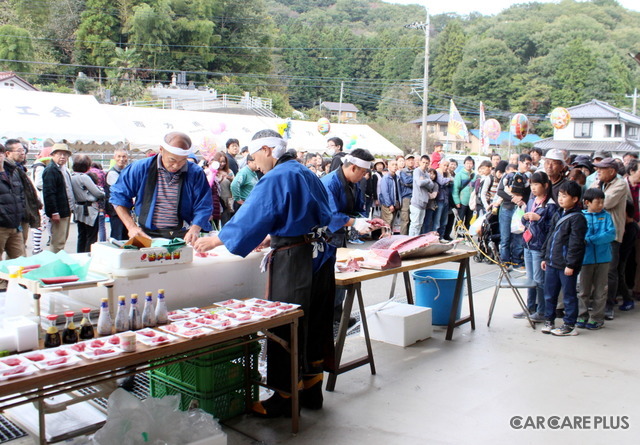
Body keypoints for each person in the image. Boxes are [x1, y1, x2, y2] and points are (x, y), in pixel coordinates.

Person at [194, 129, 335, 417]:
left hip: (295, 261)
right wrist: (274, 236)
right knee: (315, 322)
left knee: (286, 324)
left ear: (268, 149)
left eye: (256, 156)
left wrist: (216, 239)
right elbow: (312, 215)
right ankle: (312, 392)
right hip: (320, 257)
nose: (255, 163)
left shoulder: (277, 177)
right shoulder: (306, 172)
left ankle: (284, 397)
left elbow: (254, 216)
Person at [109, 132, 213, 244]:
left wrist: (195, 229)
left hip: (182, 234)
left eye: (182, 160)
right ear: (161, 150)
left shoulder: (195, 173)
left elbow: (204, 205)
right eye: (172, 160)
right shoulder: (140, 168)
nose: (176, 165)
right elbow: (118, 196)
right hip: (145, 233)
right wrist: (131, 227)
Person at [321, 149, 375, 323]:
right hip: (326, 234)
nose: (365, 176)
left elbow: (358, 208)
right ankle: (326, 315)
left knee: (342, 273)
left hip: (340, 233)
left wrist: (366, 221)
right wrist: (353, 223)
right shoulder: (329, 182)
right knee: (329, 276)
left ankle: (337, 312)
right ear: (353, 167)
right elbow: (330, 214)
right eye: (363, 172)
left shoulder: (354, 183)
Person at [540, 181, 587, 336]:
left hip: (566, 265)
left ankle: (569, 325)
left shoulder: (578, 218)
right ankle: (549, 320)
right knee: (549, 293)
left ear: (575, 199)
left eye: (564, 196)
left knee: (568, 295)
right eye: (559, 195)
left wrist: (571, 264)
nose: (560, 199)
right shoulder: (558, 213)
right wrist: (545, 257)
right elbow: (550, 236)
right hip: (552, 262)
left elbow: (576, 243)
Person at [590, 157, 630, 320]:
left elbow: (603, 203)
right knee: (595, 269)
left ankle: (609, 305)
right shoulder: (600, 183)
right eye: (597, 168)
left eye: (601, 168)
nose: (597, 171)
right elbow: (589, 198)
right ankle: (597, 302)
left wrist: (594, 193)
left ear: (612, 171)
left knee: (610, 271)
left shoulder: (620, 184)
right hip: (596, 232)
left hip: (611, 234)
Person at [514, 171, 557, 323]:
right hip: (528, 243)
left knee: (539, 280)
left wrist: (538, 219)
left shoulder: (550, 204)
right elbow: (525, 221)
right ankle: (530, 307)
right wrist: (525, 218)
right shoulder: (532, 201)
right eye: (531, 184)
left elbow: (552, 228)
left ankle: (542, 310)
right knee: (530, 279)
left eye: (536, 184)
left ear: (545, 185)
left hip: (539, 246)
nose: (533, 188)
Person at [575, 188, 616, 331]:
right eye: (598, 202)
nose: (601, 205)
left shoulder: (606, 216)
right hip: (586, 260)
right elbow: (578, 236)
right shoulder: (581, 217)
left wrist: (591, 240)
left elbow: (610, 234)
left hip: (603, 259)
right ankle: (582, 315)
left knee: (601, 290)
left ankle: (597, 318)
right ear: (587, 203)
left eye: (602, 202)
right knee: (583, 290)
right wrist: (588, 240)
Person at [4, 139, 40, 249]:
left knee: (19, 251)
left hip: (22, 214)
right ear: (8, 153)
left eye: (23, 150)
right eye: (19, 150)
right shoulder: (6, 170)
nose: (22, 153)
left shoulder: (19, 169)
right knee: (16, 251)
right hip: (11, 217)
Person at [497, 154, 532, 269]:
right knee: (505, 237)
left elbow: (528, 194)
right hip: (507, 208)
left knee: (518, 236)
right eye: (526, 163)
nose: (528, 166)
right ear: (520, 162)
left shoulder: (527, 179)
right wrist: (513, 198)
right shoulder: (509, 175)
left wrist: (521, 200)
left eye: (529, 164)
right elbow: (500, 192)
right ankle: (505, 261)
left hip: (520, 210)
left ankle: (517, 261)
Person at [42, 143, 75, 253]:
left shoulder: (62, 169)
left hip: (65, 210)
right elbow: (49, 193)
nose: (63, 157)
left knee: (62, 240)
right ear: (53, 155)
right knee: (58, 242)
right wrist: (54, 212)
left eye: (65, 155)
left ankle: (58, 262)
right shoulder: (50, 170)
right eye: (60, 154)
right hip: (59, 211)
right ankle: (54, 264)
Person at [71, 155, 105, 253]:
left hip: (78, 209)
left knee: (81, 235)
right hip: (90, 209)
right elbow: (97, 193)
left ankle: (80, 255)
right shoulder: (84, 177)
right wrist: (103, 193)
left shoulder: (72, 176)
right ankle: (89, 256)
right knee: (91, 236)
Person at [0, 143, 26, 260]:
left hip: (15, 225)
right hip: (1, 226)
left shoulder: (13, 171)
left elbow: (20, 195)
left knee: (19, 262)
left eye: (0, 153)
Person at [29, 145, 53, 254]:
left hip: (38, 198)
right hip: (41, 199)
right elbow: (39, 183)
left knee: (43, 222)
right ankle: (36, 248)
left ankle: (38, 246)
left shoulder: (37, 165)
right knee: (40, 223)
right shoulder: (40, 167)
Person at [105, 148, 130, 240]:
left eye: (124, 156)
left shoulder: (127, 171)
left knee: (125, 235)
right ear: (114, 157)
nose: (121, 159)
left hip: (126, 208)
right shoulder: (112, 173)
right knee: (117, 235)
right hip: (116, 210)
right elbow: (122, 190)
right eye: (119, 156)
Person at [409, 155, 435, 236]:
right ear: (420, 162)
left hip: (424, 203)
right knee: (414, 224)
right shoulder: (417, 171)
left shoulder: (426, 174)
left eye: (427, 163)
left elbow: (431, 186)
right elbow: (419, 183)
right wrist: (427, 180)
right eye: (423, 162)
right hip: (416, 202)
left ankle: (415, 243)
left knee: (419, 225)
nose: (424, 165)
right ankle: (410, 241)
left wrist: (425, 180)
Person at [452, 156, 476, 229]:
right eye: (467, 163)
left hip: (471, 202)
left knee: (469, 219)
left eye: (471, 163)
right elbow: (455, 189)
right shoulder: (459, 175)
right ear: (464, 164)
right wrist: (457, 201)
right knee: (460, 219)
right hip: (462, 201)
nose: (469, 165)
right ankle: (458, 235)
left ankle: (467, 235)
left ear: (473, 165)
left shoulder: (474, 175)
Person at [212, 151, 235, 226]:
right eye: (220, 161)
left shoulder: (229, 172)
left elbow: (235, 185)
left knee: (226, 223)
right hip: (216, 203)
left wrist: (231, 179)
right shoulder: (212, 172)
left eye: (224, 162)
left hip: (227, 203)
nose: (222, 164)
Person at [378, 159, 401, 231]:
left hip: (395, 203)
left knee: (391, 224)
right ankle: (385, 239)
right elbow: (385, 193)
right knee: (386, 223)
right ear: (388, 167)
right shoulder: (386, 178)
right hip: (387, 205)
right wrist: (389, 204)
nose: (394, 166)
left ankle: (389, 239)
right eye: (392, 165)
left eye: (396, 165)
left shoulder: (397, 177)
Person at [397, 155, 413, 235]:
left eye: (412, 160)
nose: (411, 161)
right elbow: (406, 182)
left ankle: (409, 239)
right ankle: (402, 238)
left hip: (414, 197)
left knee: (412, 220)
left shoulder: (416, 170)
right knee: (405, 219)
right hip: (406, 197)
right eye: (409, 160)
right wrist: (416, 179)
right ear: (406, 162)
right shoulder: (403, 171)